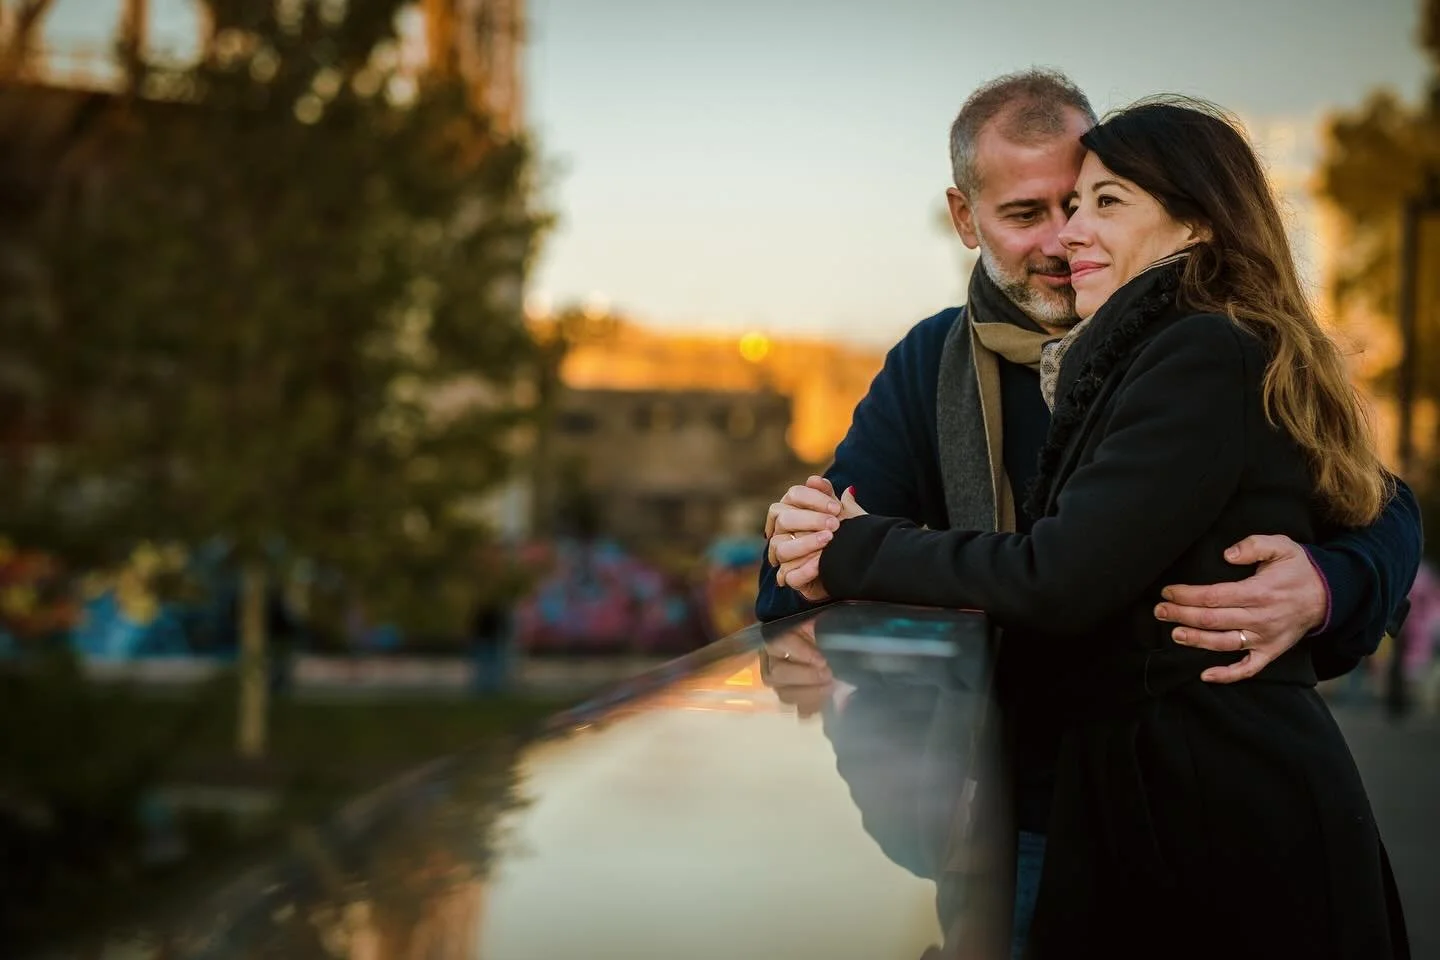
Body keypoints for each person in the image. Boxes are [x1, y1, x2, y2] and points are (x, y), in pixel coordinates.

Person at [757, 71, 1422, 958]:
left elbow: (1373, 498)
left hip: (1184, 807)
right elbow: (795, 575)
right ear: (966, 219)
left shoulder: (1189, 346)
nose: (1063, 240)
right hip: (1021, 816)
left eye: (1086, 201)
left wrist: (1331, 584)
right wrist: (804, 540)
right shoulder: (933, 369)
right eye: (1026, 215)